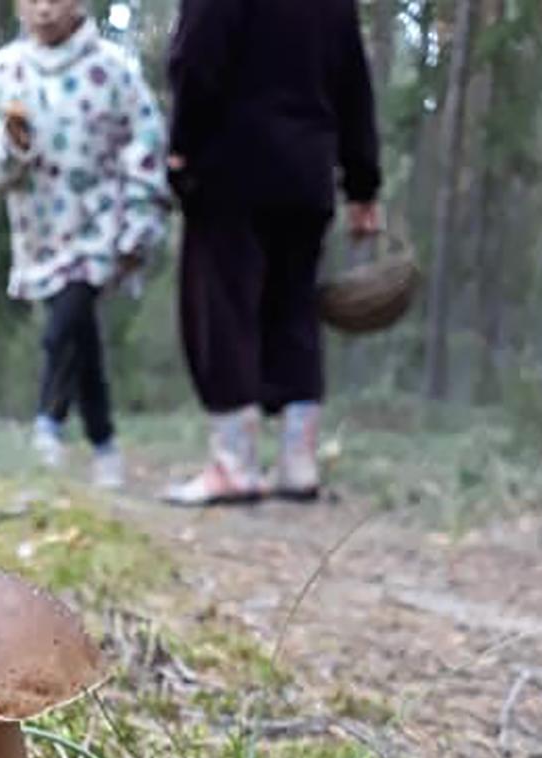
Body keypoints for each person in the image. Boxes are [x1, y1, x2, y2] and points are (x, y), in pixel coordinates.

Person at [164, 0, 382, 505]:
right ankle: (297, 464)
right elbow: (354, 82)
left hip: (229, 165)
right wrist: (363, 183)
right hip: (306, 172)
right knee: (295, 310)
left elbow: (196, 57)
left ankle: (234, 465)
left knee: (222, 311)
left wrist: (182, 146)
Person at [0, 0, 170, 489]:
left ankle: (47, 425)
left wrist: (138, 224)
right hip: (39, 231)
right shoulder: (5, 71)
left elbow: (146, 142)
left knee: (66, 322)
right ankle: (104, 443)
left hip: (101, 224)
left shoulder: (112, 70)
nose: (44, 9)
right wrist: (9, 142)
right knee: (80, 333)